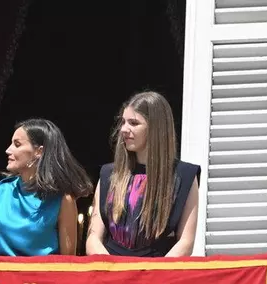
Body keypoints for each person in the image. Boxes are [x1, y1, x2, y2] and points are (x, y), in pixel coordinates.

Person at [85, 91, 201, 257]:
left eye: (133, 123)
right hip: (111, 268)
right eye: (123, 122)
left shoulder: (185, 176)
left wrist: (152, 272)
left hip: (159, 269)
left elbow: (186, 242)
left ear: (156, 129)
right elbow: (93, 237)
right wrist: (111, 268)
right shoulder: (109, 174)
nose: (124, 129)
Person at [0, 119, 92, 256]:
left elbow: (68, 260)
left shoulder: (62, 200)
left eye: (17, 144)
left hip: (41, 270)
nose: (8, 150)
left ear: (39, 152)